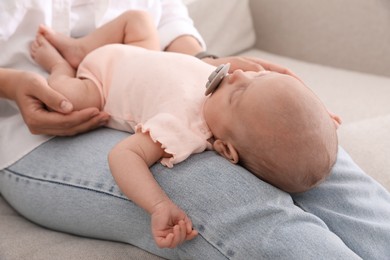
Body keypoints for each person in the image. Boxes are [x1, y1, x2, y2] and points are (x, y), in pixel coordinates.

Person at [1, 1, 390, 259]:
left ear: (225, 146)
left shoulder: (203, 108)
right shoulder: (183, 127)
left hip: (143, 56)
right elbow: (128, 156)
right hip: (34, 122)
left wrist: (200, 63)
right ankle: (62, 65)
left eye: (242, 81)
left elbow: (163, 13)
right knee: (220, 191)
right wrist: (11, 85)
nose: (237, 74)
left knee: (314, 157)